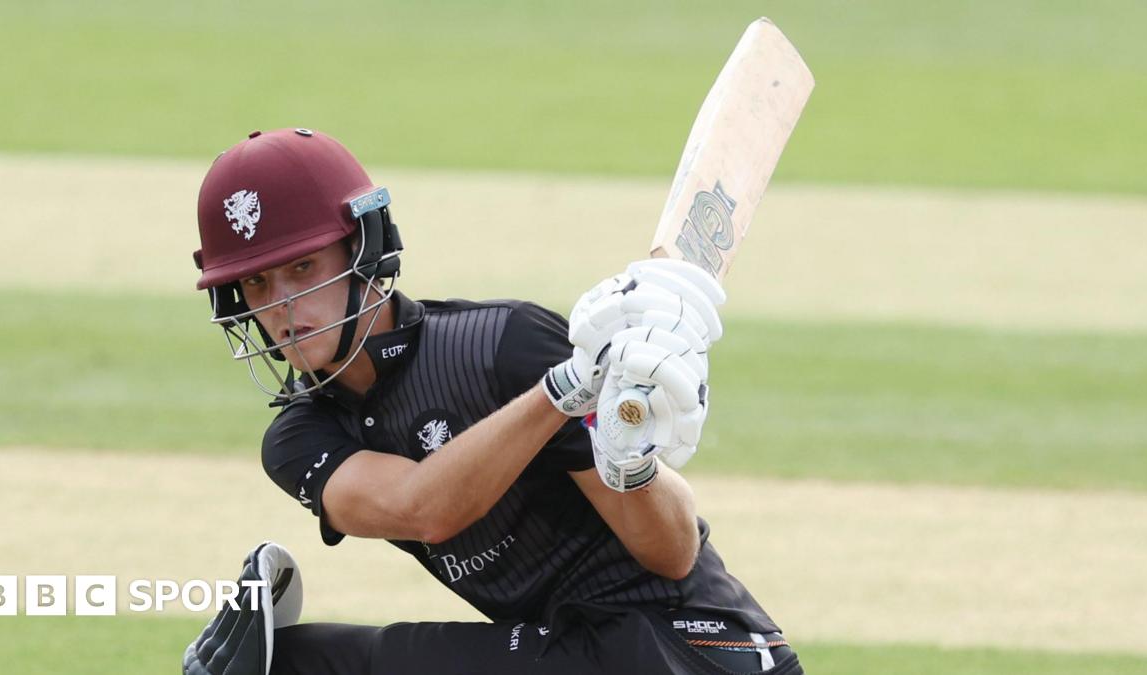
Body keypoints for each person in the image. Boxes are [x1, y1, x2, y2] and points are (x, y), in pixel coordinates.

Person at [182, 128, 802, 675]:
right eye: (257, 283)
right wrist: (563, 392)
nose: (281, 309)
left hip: (693, 650)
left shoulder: (505, 346)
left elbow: (672, 553)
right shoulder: (298, 439)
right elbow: (421, 509)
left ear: (365, 252)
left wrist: (630, 459)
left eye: (302, 269)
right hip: (563, 648)